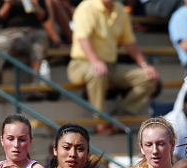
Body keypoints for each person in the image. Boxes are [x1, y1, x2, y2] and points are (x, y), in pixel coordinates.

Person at [66, 0, 158, 135]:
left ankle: (120, 118)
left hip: (109, 66)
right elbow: (82, 37)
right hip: (81, 63)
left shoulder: (120, 9)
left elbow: (130, 42)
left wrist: (144, 65)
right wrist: (95, 60)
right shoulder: (86, 7)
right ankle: (100, 124)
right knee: (97, 72)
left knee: (149, 78)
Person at [0, 0, 50, 80]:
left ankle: (35, 84)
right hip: (10, 31)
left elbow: (45, 17)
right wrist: (8, 4)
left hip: (33, 29)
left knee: (41, 38)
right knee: (29, 45)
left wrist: (36, 6)